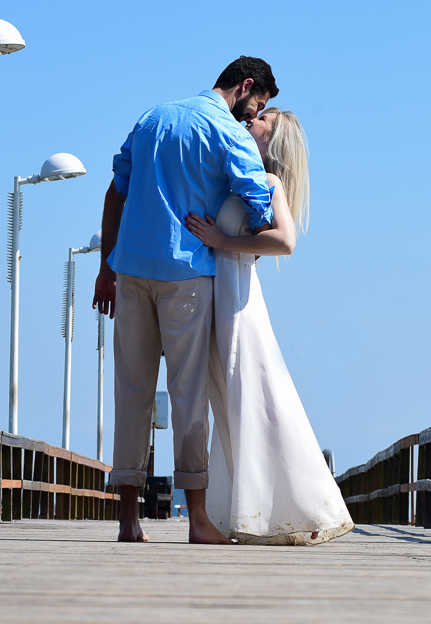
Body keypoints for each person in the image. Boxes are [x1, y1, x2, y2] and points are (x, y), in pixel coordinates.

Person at [93, 56, 278, 544]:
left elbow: (115, 193)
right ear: (244, 86)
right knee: (188, 396)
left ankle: (128, 521)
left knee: (131, 393)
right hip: (187, 275)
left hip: (131, 269)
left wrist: (105, 269)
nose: (253, 115)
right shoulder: (228, 133)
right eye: (256, 104)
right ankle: (197, 521)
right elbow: (259, 206)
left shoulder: (152, 117)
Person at [185, 108, 354, 545]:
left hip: (238, 301)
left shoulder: (267, 182)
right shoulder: (238, 179)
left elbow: (286, 240)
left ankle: (299, 505)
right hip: (220, 297)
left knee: (255, 399)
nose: (250, 120)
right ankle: (251, 510)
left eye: (262, 119)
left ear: (271, 137)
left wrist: (222, 241)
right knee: (231, 403)